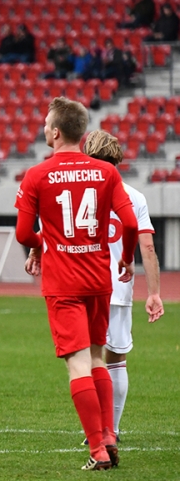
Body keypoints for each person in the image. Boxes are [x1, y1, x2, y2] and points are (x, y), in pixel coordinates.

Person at [15, 98, 138, 471]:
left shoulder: (36, 175)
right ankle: (109, 436)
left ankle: (98, 450)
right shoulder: (106, 172)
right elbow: (130, 225)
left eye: (46, 124)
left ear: (55, 132)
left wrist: (40, 245)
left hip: (63, 282)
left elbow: (24, 232)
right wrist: (127, 259)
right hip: (100, 279)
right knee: (98, 357)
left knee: (77, 365)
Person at [82, 130, 164, 442]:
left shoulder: (79, 192)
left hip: (83, 285)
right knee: (116, 360)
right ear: (117, 158)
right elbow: (148, 249)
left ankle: (95, 431)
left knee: (88, 360)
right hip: (118, 288)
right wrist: (154, 293)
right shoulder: (135, 197)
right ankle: (111, 431)